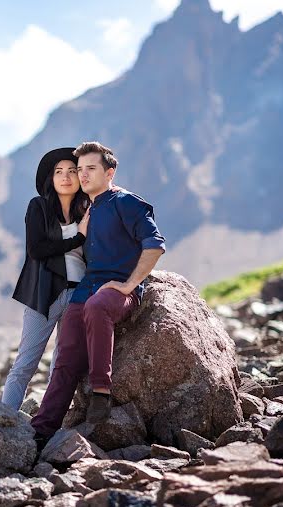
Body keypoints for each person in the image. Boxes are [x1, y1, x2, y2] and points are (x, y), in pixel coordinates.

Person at [30, 141, 165, 449]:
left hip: (115, 292)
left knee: (97, 306)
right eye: (80, 170)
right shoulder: (88, 208)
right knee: (65, 358)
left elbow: (155, 244)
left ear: (110, 172)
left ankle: (101, 391)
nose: (83, 175)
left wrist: (129, 285)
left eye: (91, 168)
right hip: (87, 289)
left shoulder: (126, 202)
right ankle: (41, 429)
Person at [2, 147, 90, 411]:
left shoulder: (86, 209)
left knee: (61, 366)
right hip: (45, 293)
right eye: (59, 172)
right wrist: (77, 238)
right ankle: (4, 421)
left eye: (72, 171)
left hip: (78, 295)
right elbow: (36, 249)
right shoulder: (38, 206)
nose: (65, 177)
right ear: (50, 179)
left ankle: (48, 426)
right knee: (25, 364)